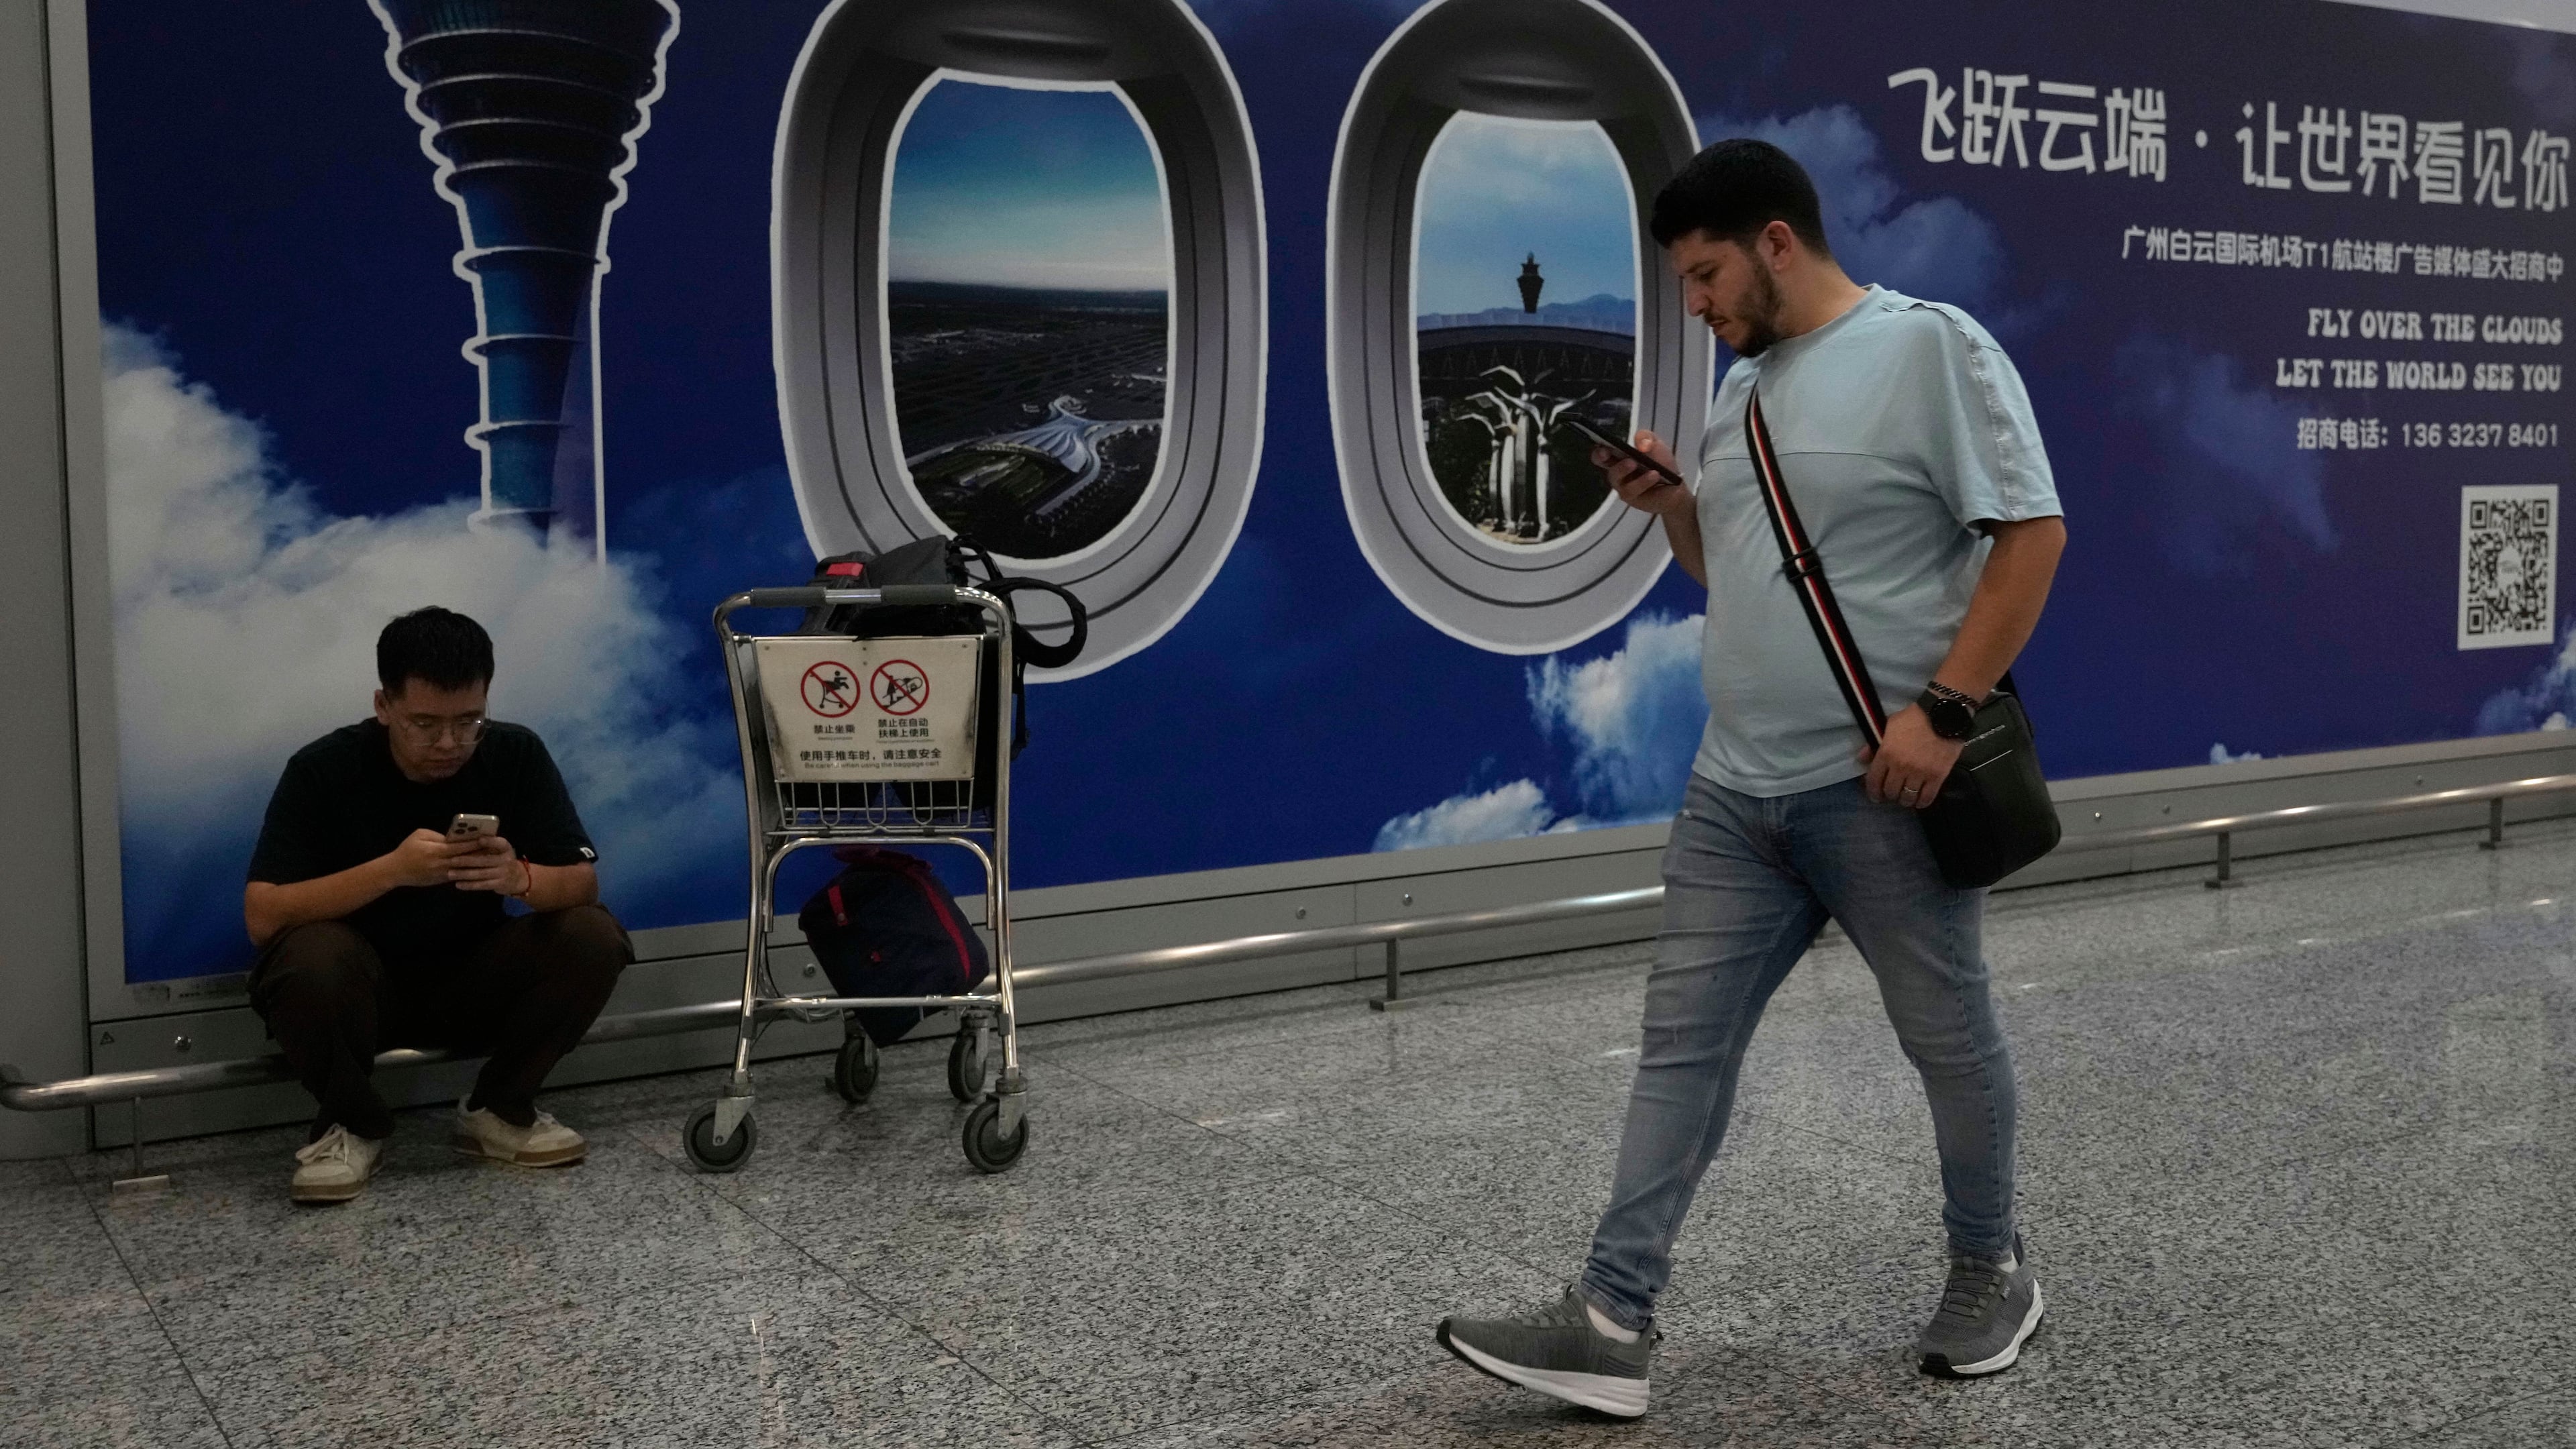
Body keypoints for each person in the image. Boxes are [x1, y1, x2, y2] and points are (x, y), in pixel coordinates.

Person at [1436, 139, 2068, 1415]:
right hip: (1737, 794)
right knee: (1681, 1049)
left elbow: (2033, 533)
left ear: (1780, 242)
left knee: (1946, 1040)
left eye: (1709, 272)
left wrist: (1942, 714)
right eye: (1683, 280)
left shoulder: (1929, 348)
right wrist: (1670, 506)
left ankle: (1990, 1266)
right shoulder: (1745, 395)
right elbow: (1738, 581)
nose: (1697, 303)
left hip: (1881, 791)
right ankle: (1613, 1318)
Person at [243, 606, 632, 1204]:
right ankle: (352, 1124)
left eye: (469, 720)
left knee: (592, 935)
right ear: (384, 706)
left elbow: (582, 885)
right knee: (310, 955)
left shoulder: (515, 753)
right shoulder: (323, 769)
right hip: (358, 988)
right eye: (425, 723)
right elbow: (263, 916)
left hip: (471, 977)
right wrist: (391, 872)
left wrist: (518, 876)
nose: (450, 742)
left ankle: (500, 1108)